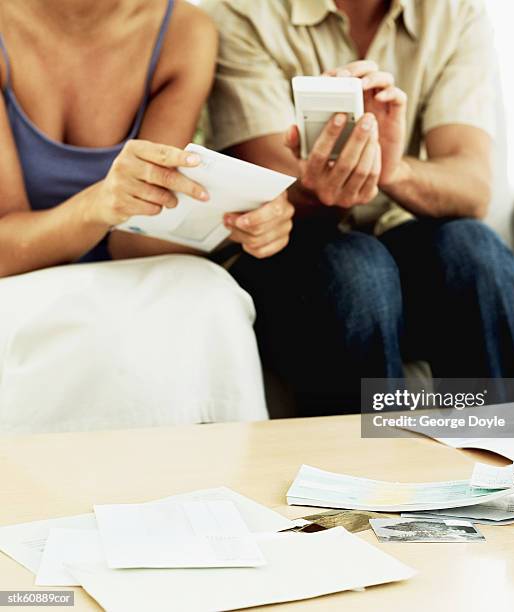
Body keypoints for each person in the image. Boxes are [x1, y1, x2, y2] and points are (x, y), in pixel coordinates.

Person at [205, 0, 514, 416]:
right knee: (356, 269)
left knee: (476, 252)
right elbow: (272, 184)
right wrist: (329, 175)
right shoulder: (242, 12)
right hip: (290, 253)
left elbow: (471, 187)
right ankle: (363, 477)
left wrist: (391, 168)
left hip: (398, 251)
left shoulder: (455, 14)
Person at [0, 0, 294, 432]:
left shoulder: (183, 31)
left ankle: (220, 488)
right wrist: (98, 204)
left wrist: (237, 219)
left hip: (121, 274)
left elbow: (134, 240)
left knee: (210, 294)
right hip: (15, 279)